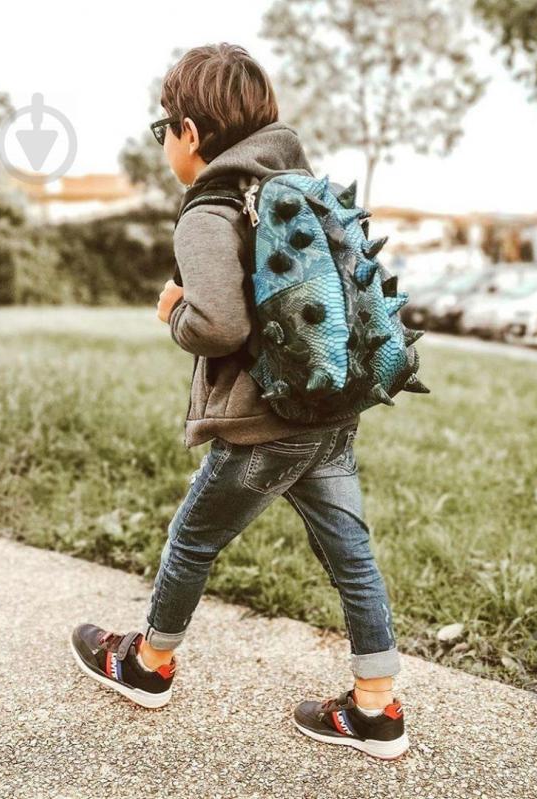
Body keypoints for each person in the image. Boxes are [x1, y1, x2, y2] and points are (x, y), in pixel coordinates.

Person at [70, 43, 408, 760]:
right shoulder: (298, 187)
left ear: (190, 131)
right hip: (328, 412)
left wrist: (173, 310)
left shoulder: (208, 210)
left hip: (264, 424)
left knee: (193, 537)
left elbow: (219, 324)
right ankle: (376, 706)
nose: (165, 143)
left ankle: (147, 664)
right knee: (350, 550)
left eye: (165, 129)